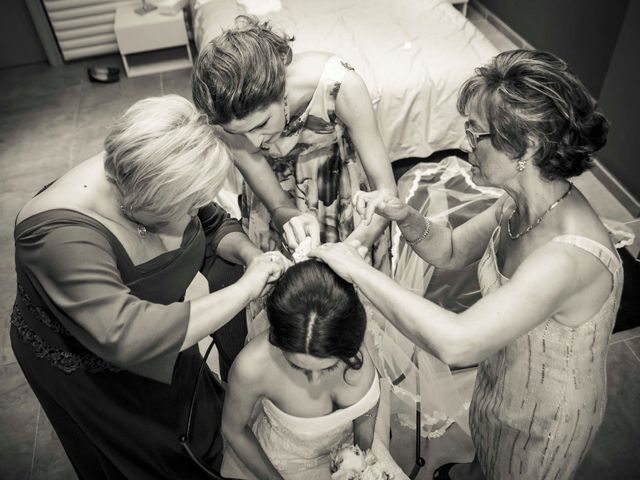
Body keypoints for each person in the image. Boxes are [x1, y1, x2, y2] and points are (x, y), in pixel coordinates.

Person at [311, 50, 622, 480]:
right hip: (500, 383)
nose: (465, 144)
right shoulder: (520, 202)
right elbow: (452, 249)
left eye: (476, 134)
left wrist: (356, 268)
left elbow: (459, 343)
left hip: (543, 423)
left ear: (526, 147)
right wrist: (405, 215)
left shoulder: (567, 258)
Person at [10, 95, 288, 479]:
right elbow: (131, 334)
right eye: (187, 206)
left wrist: (252, 257)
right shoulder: (57, 238)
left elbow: (213, 224)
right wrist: (246, 288)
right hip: (88, 362)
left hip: (164, 332)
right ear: (143, 200)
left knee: (189, 420)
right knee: (140, 454)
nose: (195, 211)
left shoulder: (161, 175)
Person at [191, 15, 396, 270]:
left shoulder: (342, 87)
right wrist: (290, 220)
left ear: (282, 90)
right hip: (275, 199)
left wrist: (354, 248)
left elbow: (386, 192)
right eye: (240, 134)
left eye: (261, 125)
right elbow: (277, 204)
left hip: (342, 192)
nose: (254, 143)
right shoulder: (225, 116)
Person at [220, 260, 408, 480]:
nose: (316, 381)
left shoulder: (347, 334)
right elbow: (234, 430)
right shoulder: (252, 367)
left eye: (331, 366)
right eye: (298, 367)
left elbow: (367, 406)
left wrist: (361, 465)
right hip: (281, 468)